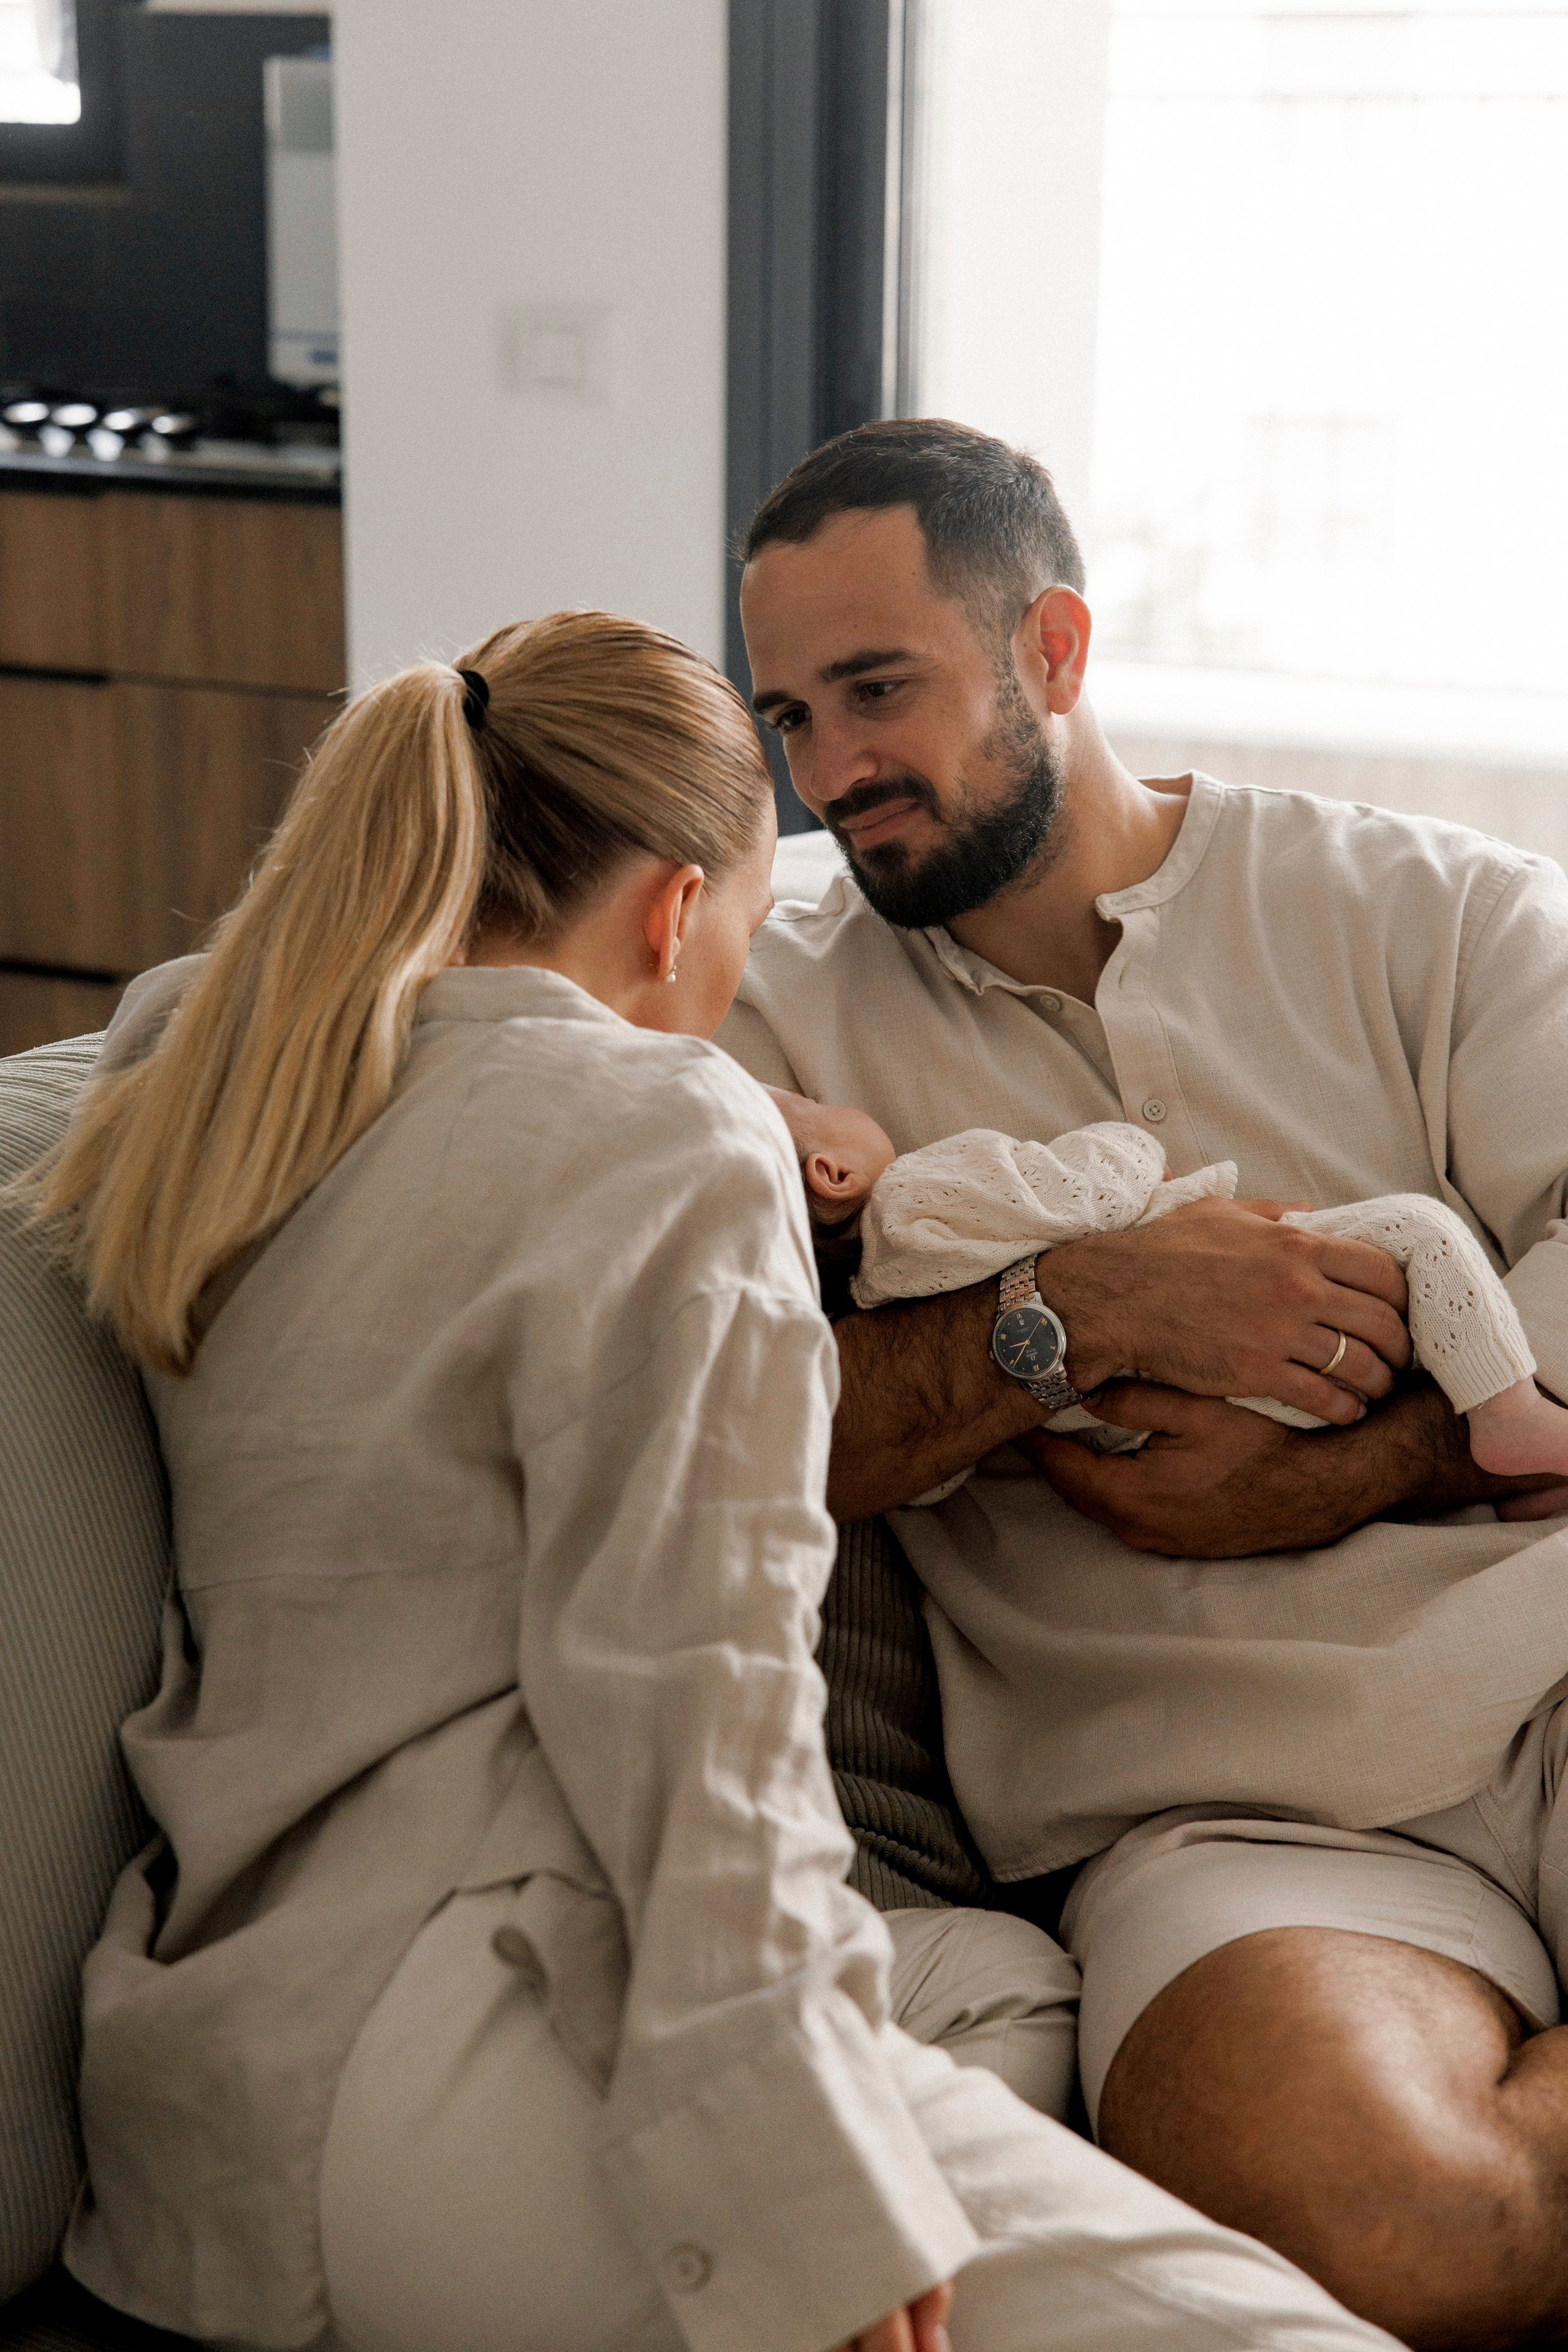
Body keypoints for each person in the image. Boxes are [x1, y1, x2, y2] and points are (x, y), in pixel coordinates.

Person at [20, 610, 1392, 2352]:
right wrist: (803, 2187)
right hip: (483, 2035)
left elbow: (262, 1008)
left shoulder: (225, 1072)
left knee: (987, 1994)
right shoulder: (667, 1127)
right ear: (676, 914)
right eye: (739, 938)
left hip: (216, 2084)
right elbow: (691, 1698)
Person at [721, 416, 1568, 2348]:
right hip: (1236, 1815)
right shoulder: (762, 1014)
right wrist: (1066, 1311)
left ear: (1055, 650)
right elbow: (732, 1428)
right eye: (789, 717)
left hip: (1553, 1658)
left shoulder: (1431, 909)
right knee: (1388, 2227)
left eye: (877, 690)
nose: (831, 772)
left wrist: (1376, 1460)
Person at [764, 1089, 1568, 1488]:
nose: (837, 1097)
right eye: (810, 1101)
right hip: (1256, 1343)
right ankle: (1510, 1416)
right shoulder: (915, 1191)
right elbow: (1077, 1194)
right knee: (1419, 1232)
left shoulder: (876, 1296)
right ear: (831, 1174)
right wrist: (1133, 1146)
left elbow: (931, 1480)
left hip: (1146, 1417)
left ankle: (1515, 1476)